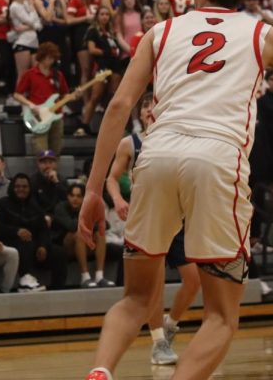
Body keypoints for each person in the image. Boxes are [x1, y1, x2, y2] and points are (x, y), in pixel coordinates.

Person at [79, 0, 273, 380]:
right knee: (221, 316)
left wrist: (91, 190)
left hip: (157, 154)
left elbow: (121, 106)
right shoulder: (265, 35)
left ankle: (101, 370)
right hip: (218, 160)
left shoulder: (160, 32)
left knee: (136, 299)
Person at [106, 93, 199, 366]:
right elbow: (111, 178)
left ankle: (171, 325)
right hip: (148, 219)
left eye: (154, 104)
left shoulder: (178, 140)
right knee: (154, 286)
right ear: (140, 113)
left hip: (178, 218)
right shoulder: (130, 143)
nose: (149, 109)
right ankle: (158, 343)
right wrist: (119, 199)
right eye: (145, 105)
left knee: (194, 281)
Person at [0, 173, 55, 291]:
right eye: (17, 186)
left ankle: (59, 291)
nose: (21, 189)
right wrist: (16, 231)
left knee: (58, 253)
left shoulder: (35, 206)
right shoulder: (1, 204)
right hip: (8, 241)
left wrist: (43, 246)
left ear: (30, 188)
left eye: (25, 186)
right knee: (25, 243)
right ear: (12, 187)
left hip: (34, 245)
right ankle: (24, 280)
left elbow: (43, 230)